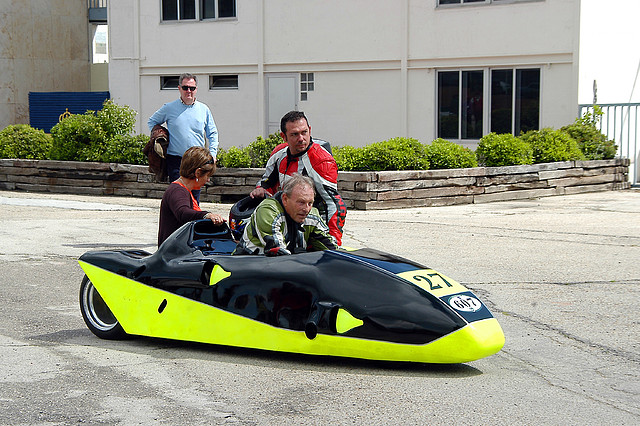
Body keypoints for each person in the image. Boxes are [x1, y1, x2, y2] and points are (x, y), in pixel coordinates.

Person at [250, 111, 346, 245]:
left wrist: (333, 243)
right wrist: (260, 189)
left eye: (304, 132)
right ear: (284, 136)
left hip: (312, 225)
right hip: (285, 219)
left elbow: (334, 205)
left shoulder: (322, 161)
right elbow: (267, 182)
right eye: (295, 134)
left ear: (310, 130)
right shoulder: (278, 153)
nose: (301, 138)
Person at [148, 73, 218, 202]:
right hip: (176, 161)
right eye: (185, 87)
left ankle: (193, 220)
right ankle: (178, 222)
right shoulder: (169, 108)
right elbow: (152, 121)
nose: (189, 91)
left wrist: (213, 153)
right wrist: (160, 135)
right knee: (178, 197)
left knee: (194, 198)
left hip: (197, 161)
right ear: (179, 88)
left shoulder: (204, 109)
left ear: (196, 89)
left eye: (192, 88)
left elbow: (212, 133)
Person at [236, 174, 338, 256]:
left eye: (310, 203)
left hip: (287, 265)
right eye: (301, 202)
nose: (306, 209)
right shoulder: (268, 210)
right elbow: (277, 250)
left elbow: (331, 247)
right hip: (249, 264)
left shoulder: (312, 214)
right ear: (285, 199)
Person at [157, 147, 225, 246]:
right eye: (207, 176)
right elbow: (183, 213)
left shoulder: (183, 190)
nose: (208, 180)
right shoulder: (177, 191)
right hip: (174, 256)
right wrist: (207, 215)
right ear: (198, 173)